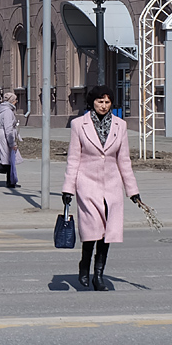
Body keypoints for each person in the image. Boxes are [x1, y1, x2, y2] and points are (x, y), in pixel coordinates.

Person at [61, 85, 143, 291]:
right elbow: (73, 158)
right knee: (92, 231)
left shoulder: (120, 126)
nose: (103, 106)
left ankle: (99, 275)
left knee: (107, 233)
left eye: (107, 102)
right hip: (87, 184)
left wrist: (132, 191)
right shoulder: (79, 125)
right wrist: (67, 188)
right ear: (92, 102)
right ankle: (84, 265)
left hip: (112, 186)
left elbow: (124, 160)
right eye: (100, 101)